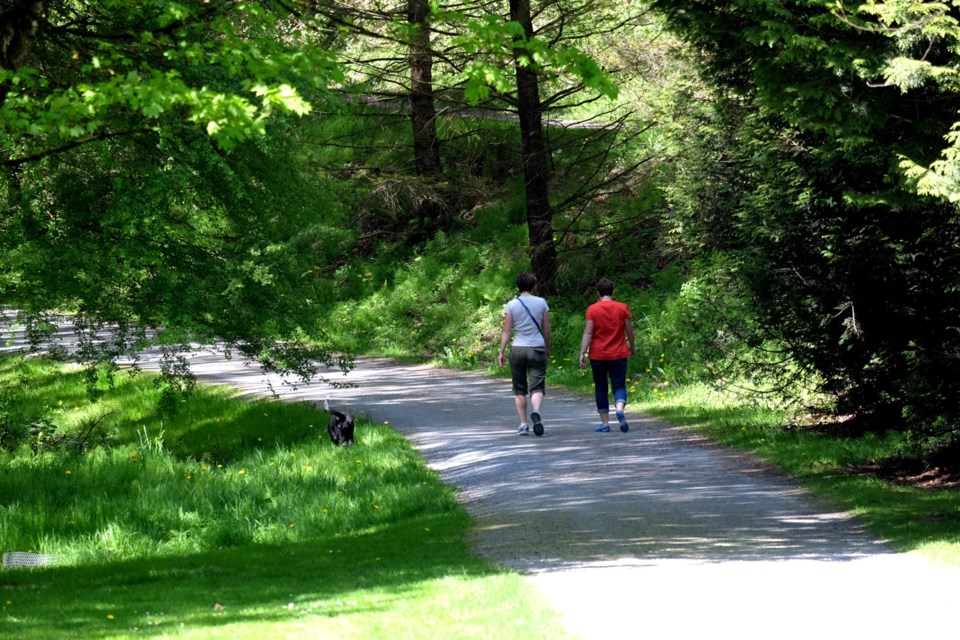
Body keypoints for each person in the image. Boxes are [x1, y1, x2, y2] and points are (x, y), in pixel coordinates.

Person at [578, 278, 636, 433]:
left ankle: (605, 424)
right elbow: (629, 330)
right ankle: (619, 409)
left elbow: (588, 332)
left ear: (598, 293)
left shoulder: (592, 309)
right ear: (612, 291)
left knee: (601, 387)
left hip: (598, 355)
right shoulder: (622, 308)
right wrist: (632, 347)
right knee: (619, 385)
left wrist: (582, 352)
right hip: (619, 353)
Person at [498, 271, 551, 436]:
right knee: (537, 386)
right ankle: (536, 411)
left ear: (518, 286)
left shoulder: (511, 305)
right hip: (537, 347)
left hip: (518, 348)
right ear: (533, 285)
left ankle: (523, 425)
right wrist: (547, 347)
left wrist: (501, 352)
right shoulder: (541, 302)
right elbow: (547, 329)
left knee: (519, 388)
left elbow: (507, 331)